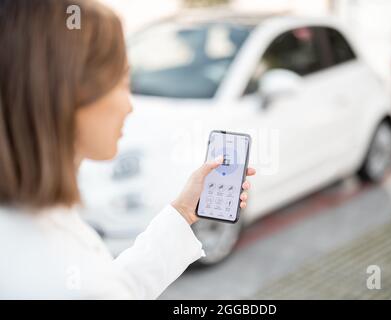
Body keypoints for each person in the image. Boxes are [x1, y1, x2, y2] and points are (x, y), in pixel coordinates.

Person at [0, 0, 255, 299]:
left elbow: (112, 289)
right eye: (121, 81)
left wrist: (184, 213)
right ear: (65, 93)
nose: (130, 105)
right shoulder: (50, 274)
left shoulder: (29, 225)